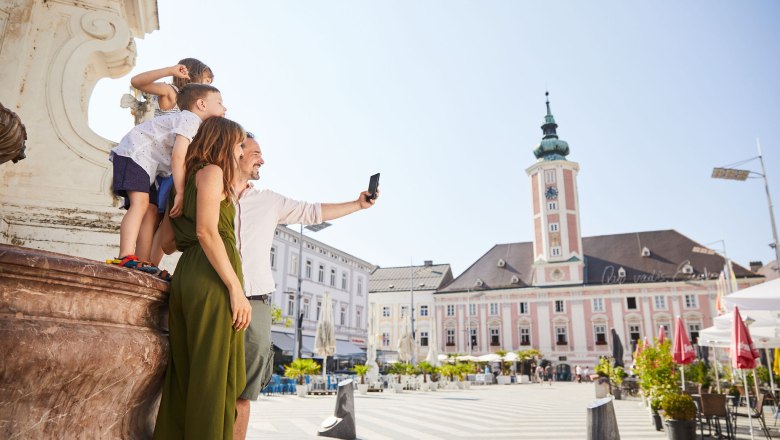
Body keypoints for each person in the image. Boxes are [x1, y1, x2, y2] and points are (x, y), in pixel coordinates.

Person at [229, 132, 379, 440]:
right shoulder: (212, 194)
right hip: (217, 297)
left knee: (243, 392)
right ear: (236, 153)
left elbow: (313, 212)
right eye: (255, 153)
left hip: (255, 303)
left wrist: (357, 204)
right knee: (211, 385)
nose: (262, 160)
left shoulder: (268, 200)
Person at [153, 117, 251, 439]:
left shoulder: (181, 185)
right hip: (212, 279)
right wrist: (236, 289)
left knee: (185, 374)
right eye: (239, 144)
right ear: (224, 142)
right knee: (212, 377)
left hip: (188, 275)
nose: (241, 151)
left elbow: (167, 242)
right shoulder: (212, 172)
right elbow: (207, 232)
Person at [108, 83, 226, 278]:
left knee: (151, 211)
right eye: (220, 103)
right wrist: (180, 192)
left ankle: (143, 260)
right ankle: (125, 255)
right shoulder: (191, 119)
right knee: (140, 204)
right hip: (135, 153)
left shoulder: (193, 124)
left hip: (148, 164)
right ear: (202, 104)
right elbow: (178, 158)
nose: (225, 108)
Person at [129, 58, 215, 264]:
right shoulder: (172, 93)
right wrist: (169, 70)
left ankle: (151, 265)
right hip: (159, 164)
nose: (209, 86)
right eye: (206, 80)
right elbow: (137, 82)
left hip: (175, 167)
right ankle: (142, 261)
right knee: (152, 214)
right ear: (193, 75)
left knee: (166, 218)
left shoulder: (199, 110)